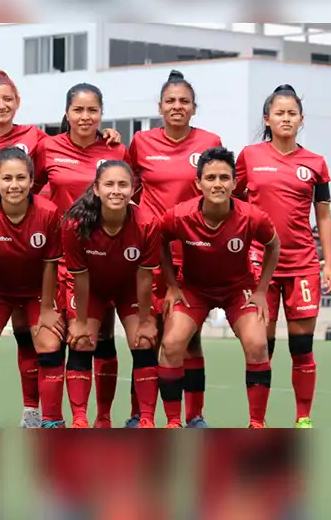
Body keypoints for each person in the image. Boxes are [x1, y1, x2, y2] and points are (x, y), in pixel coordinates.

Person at [0, 68, 121, 428]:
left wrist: (108, 136)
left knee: (72, 338)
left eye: (92, 110)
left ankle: (58, 416)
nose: (1, 105)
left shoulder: (47, 140)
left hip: (74, 256)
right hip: (8, 255)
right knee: (2, 337)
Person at [234, 84, 331, 429]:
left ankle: (302, 417)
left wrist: (329, 264)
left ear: (301, 119)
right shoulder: (249, 157)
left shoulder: (316, 164)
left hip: (303, 265)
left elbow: (322, 216)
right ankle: (256, 422)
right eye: (279, 112)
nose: (286, 118)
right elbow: (231, 204)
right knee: (261, 346)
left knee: (302, 346)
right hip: (259, 266)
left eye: (292, 113)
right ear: (267, 118)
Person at [126, 69, 222, 428]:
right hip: (149, 257)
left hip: (193, 256)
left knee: (188, 340)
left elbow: (218, 193)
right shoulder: (141, 142)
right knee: (147, 338)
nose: (177, 106)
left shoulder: (210, 141)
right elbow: (128, 188)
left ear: (194, 108)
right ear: (160, 107)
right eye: (171, 101)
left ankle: (194, 416)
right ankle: (141, 415)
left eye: (184, 101)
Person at [158, 146, 280, 428]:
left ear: (235, 182)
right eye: (210, 177)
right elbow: (160, 242)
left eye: (224, 177)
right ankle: (175, 422)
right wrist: (172, 285)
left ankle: (257, 424)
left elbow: (274, 246)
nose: (217, 184)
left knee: (258, 344)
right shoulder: (179, 215)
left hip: (238, 289)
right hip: (193, 288)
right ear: (198, 183)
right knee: (172, 344)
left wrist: (261, 290)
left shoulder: (253, 217)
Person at [32, 83, 130, 428]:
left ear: (101, 114)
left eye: (92, 110)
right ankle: (54, 418)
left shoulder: (117, 151)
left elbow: (130, 200)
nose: (85, 117)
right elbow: (27, 190)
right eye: (79, 110)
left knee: (99, 338)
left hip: (102, 261)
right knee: (51, 337)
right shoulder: (47, 148)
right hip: (53, 259)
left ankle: (101, 418)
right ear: (67, 112)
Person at [0, 147, 64, 428]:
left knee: (49, 342)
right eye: (7, 178)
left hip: (36, 292)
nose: (14, 185)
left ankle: (47, 418)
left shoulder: (49, 213)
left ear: (32, 181)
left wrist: (46, 309)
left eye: (21, 178)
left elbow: (50, 264)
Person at [60, 160, 161, 428]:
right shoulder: (75, 224)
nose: (116, 191)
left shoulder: (148, 223)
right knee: (81, 341)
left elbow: (144, 276)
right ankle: (81, 419)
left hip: (129, 288)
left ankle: (146, 420)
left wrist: (145, 319)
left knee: (143, 341)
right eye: (109, 184)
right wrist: (80, 320)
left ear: (133, 189)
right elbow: (79, 277)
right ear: (96, 189)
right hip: (91, 288)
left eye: (123, 185)